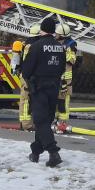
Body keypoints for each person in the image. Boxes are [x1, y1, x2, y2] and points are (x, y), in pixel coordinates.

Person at [21, 17, 67, 167]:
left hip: (39, 88)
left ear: (42, 29)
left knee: (40, 121)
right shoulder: (60, 47)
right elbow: (62, 68)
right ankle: (35, 153)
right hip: (54, 87)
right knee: (45, 121)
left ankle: (53, 153)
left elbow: (26, 70)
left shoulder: (36, 46)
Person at [17, 24, 42, 131]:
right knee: (26, 99)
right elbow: (30, 63)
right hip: (28, 76)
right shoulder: (31, 46)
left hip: (27, 75)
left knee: (26, 99)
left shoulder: (26, 44)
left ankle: (24, 123)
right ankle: (26, 124)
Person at [55, 24, 77, 134]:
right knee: (54, 101)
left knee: (64, 102)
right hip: (55, 77)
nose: (55, 35)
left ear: (62, 35)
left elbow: (72, 60)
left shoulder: (71, 44)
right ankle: (55, 121)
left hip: (66, 79)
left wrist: (62, 53)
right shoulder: (55, 43)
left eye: (57, 34)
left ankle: (62, 123)